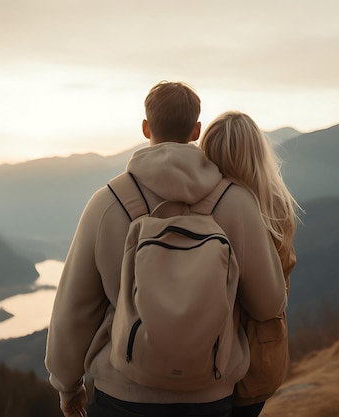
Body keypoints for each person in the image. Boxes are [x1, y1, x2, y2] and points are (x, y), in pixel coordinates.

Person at [45, 81, 287, 417]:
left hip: (122, 392)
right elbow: (268, 303)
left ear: (146, 128)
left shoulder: (107, 203)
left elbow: (74, 306)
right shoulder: (236, 202)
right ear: (196, 130)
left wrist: (67, 384)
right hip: (210, 393)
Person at [199, 111, 301, 417]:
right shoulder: (276, 207)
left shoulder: (197, 206)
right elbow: (273, 299)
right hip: (258, 360)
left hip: (203, 357)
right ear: (258, 153)